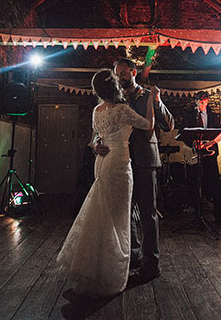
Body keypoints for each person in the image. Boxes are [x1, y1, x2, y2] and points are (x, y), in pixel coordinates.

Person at [57, 69, 154, 297]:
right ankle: (110, 275)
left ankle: (94, 269)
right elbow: (148, 125)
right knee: (118, 218)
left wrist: (96, 144)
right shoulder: (121, 110)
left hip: (101, 160)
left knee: (101, 214)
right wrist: (151, 100)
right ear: (115, 87)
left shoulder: (96, 110)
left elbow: (94, 138)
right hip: (118, 162)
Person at [93, 58, 175, 284]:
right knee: (125, 213)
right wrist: (96, 143)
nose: (118, 78)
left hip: (145, 159)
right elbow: (102, 128)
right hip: (119, 162)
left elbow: (169, 125)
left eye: (121, 73)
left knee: (148, 213)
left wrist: (157, 101)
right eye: (116, 74)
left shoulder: (149, 95)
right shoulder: (114, 98)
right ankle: (134, 255)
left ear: (133, 72)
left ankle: (152, 264)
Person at [182, 91, 221, 226]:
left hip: (210, 154)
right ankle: (198, 216)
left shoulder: (213, 116)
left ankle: (218, 216)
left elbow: (218, 133)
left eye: (205, 102)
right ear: (195, 102)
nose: (203, 105)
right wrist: (193, 142)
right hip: (195, 155)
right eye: (200, 102)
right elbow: (182, 134)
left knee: (215, 185)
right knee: (195, 184)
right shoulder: (189, 116)